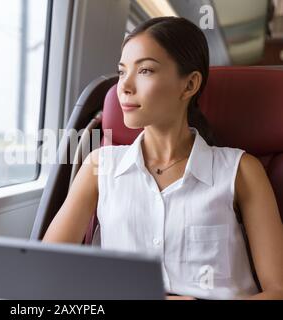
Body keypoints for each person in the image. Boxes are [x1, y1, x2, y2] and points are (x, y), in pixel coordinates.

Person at [42, 16, 283, 300]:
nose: (125, 87)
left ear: (189, 85)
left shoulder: (241, 170)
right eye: (122, 72)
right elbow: (46, 272)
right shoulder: (98, 167)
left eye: (145, 70)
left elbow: (277, 291)